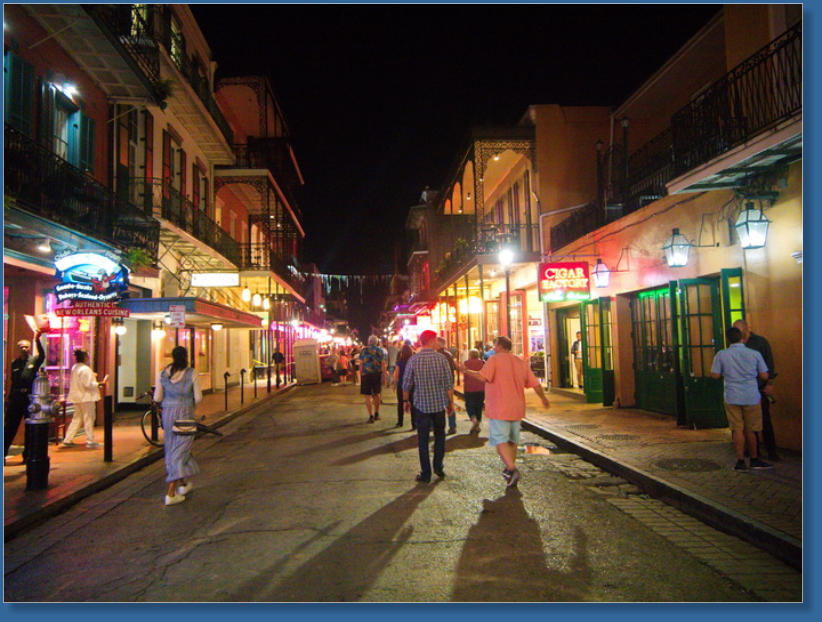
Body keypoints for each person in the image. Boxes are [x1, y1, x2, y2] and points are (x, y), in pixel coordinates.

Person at [461, 335, 550, 489]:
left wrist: (466, 371)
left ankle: (512, 469)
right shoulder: (520, 362)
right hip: (517, 408)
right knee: (512, 441)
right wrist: (543, 398)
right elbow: (535, 384)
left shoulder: (494, 360)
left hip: (498, 407)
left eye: (495, 345)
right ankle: (510, 468)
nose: (493, 348)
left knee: (501, 441)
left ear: (500, 346)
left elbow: (483, 377)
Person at [711, 326, 772, 471]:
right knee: (751, 430)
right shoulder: (754, 354)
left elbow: (715, 375)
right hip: (751, 395)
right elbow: (765, 375)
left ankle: (740, 461)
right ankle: (755, 459)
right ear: (742, 338)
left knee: (737, 429)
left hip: (732, 395)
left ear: (728, 339)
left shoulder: (722, 355)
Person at [153, 346, 204, 506]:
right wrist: (190, 407)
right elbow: (198, 397)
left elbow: (158, 396)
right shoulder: (191, 373)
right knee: (181, 449)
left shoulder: (162, 373)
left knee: (172, 446)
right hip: (185, 413)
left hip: (168, 414)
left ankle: (183, 484)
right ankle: (171, 492)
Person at [402, 330, 454, 483]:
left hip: (421, 405)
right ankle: (438, 466)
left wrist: (406, 401)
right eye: (436, 339)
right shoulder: (441, 359)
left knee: (423, 440)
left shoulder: (413, 360)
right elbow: (448, 384)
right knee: (439, 437)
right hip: (438, 405)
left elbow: (406, 383)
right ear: (431, 341)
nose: (438, 342)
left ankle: (426, 473)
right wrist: (450, 403)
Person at [733, 319, 779, 461]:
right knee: (748, 423)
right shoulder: (735, 345)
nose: (738, 333)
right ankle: (754, 451)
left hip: (759, 387)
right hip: (743, 389)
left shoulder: (760, 343)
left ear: (747, 328)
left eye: (740, 330)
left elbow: (769, 364)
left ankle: (771, 452)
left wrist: (769, 384)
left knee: (764, 420)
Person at [4, 328, 45, 464]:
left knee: (30, 429)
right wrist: (8, 399)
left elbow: (42, 356)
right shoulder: (14, 363)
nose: (24, 349)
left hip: (28, 398)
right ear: (18, 348)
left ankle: (27, 456)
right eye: (21, 347)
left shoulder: (33, 361)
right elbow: (12, 381)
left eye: (26, 347)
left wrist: (37, 339)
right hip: (15, 398)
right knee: (9, 428)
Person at [61, 349, 102, 448]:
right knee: (89, 418)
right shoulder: (85, 369)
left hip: (77, 397)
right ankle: (90, 440)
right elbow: (88, 384)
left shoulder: (75, 367)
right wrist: (99, 383)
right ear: (85, 357)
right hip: (86, 397)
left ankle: (68, 439)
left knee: (77, 418)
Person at [359, 336, 386, 423]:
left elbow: (361, 364)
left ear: (369, 341)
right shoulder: (380, 350)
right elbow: (383, 364)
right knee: (377, 394)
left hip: (366, 375)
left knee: (367, 396)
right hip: (376, 374)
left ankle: (370, 416)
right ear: (376, 342)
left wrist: (361, 375)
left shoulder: (363, 350)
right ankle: (376, 413)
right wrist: (384, 375)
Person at [436, 337, 458, 434]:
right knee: (449, 403)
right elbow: (452, 369)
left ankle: (437, 426)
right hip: (448, 382)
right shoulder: (448, 355)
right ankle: (452, 426)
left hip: (439, 383)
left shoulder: (437, 355)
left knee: (437, 405)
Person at [463, 349, 486, 434]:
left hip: (469, 388)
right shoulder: (483, 363)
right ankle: (477, 425)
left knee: (469, 405)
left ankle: (474, 419)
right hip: (481, 388)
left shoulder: (466, 363)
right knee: (479, 406)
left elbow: (464, 372)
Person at [392, 343, 414, 428]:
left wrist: (394, 384)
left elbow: (396, 375)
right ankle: (414, 423)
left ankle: (400, 422)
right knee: (413, 404)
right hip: (412, 385)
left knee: (400, 403)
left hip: (401, 385)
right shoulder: (413, 361)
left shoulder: (400, 363)